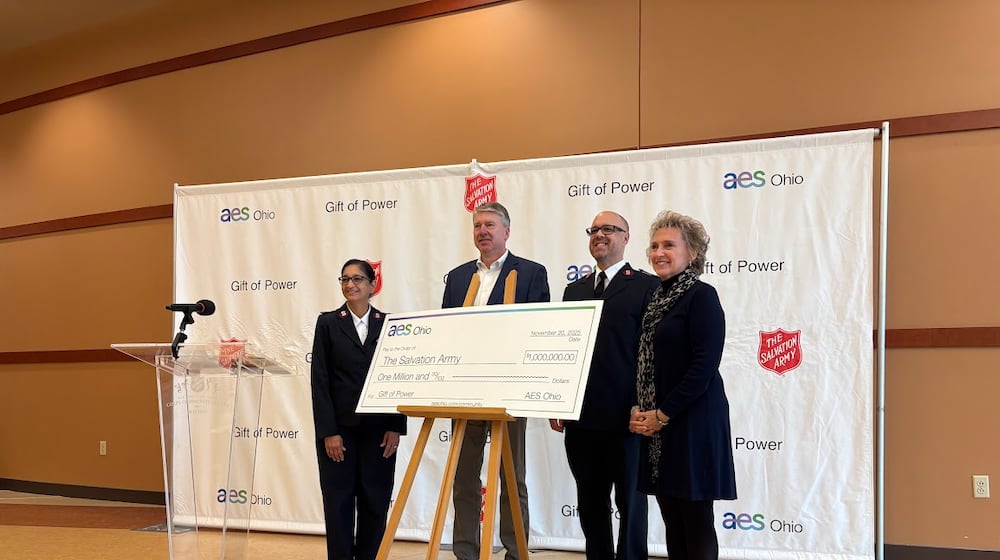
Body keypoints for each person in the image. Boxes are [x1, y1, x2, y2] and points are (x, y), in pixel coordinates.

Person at [442, 201, 550, 560]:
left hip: (509, 388)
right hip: (465, 390)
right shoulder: (458, 277)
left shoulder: (531, 273)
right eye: (478, 225)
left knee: (512, 476)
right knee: (463, 477)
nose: (483, 231)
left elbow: (538, 330)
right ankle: (465, 553)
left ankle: (516, 552)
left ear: (507, 231)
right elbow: (446, 331)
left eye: (490, 224)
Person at [550, 211, 659, 560]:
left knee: (631, 502)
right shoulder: (575, 290)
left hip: (628, 418)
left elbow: (651, 354)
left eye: (609, 229)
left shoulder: (646, 287)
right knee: (590, 502)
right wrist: (557, 401)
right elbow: (565, 351)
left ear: (626, 237)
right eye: (594, 230)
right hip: (582, 419)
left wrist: (643, 404)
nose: (600, 235)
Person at [628, 210, 737, 560]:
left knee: (695, 519)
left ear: (692, 253)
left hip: (693, 422)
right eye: (654, 246)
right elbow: (647, 365)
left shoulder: (702, 296)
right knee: (672, 518)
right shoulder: (655, 300)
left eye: (669, 245)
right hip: (660, 426)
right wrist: (641, 409)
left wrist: (662, 414)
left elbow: (703, 367)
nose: (659, 252)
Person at [311, 259, 407, 560]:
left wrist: (396, 426)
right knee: (338, 501)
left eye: (357, 279)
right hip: (339, 431)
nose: (350, 284)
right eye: (345, 279)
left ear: (372, 284)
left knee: (375, 500)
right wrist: (328, 432)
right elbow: (320, 381)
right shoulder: (328, 323)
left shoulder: (389, 324)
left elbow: (397, 377)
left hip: (379, 431)